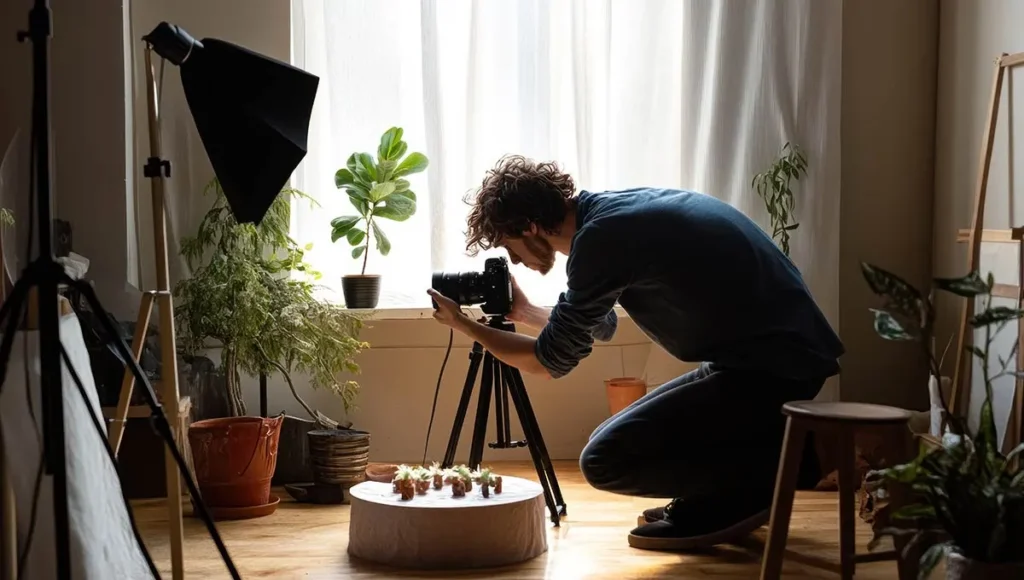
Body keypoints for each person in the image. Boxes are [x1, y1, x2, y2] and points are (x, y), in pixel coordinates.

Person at [426, 155, 844, 551]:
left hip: (773, 367)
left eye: (509, 245)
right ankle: (726, 491)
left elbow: (548, 363)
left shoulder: (602, 240)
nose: (513, 260)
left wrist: (467, 327)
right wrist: (524, 312)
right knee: (608, 441)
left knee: (603, 461)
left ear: (531, 227)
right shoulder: (610, 216)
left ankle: (777, 474)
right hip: (758, 359)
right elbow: (601, 325)